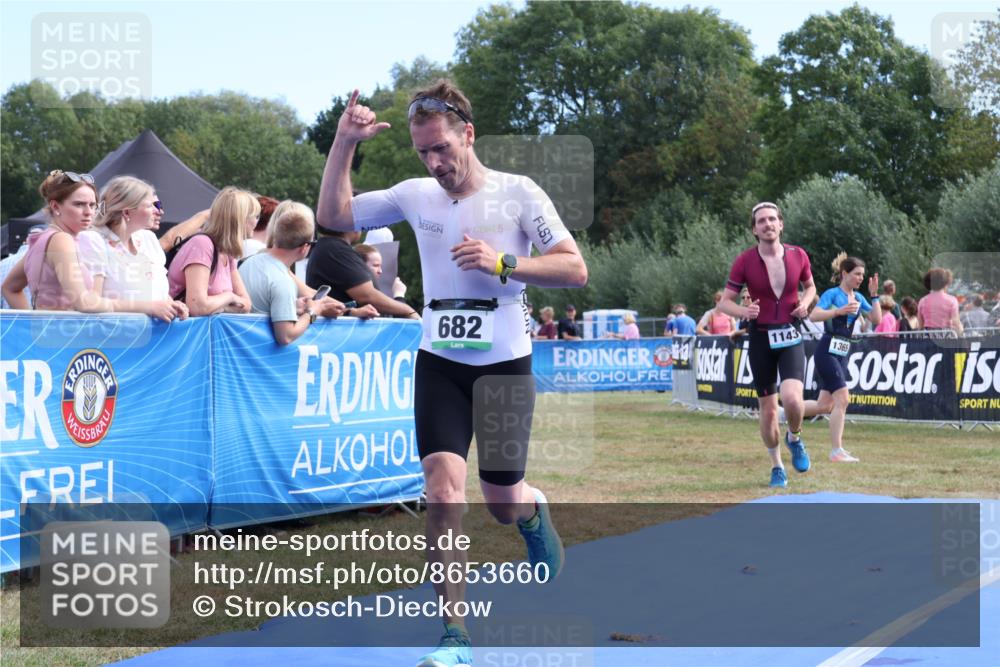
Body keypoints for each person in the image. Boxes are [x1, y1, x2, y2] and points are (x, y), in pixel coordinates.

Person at [315, 81, 587, 667]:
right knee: (442, 493)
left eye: (442, 148)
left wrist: (504, 262)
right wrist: (343, 143)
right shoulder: (416, 195)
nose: (435, 163)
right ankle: (455, 633)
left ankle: (532, 511)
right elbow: (333, 217)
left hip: (504, 361)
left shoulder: (519, 193)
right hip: (439, 358)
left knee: (501, 501)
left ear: (467, 132)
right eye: (424, 153)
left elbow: (574, 268)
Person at [716, 201, 816, 489]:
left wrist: (805, 304)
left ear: (781, 224)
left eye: (772, 219)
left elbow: (810, 287)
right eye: (761, 221)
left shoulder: (799, 255)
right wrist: (743, 314)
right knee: (769, 410)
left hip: (790, 334)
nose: (768, 224)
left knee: (794, 399)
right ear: (754, 230)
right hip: (760, 338)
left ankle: (795, 437)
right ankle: (777, 466)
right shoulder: (745, 261)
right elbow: (725, 302)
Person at [2, 170, 182, 321]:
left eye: (92, 205)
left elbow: (9, 287)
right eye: (79, 204)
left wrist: (32, 322)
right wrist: (148, 306)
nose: (89, 212)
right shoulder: (61, 240)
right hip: (64, 343)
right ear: (56, 207)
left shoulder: (43, 238)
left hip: (55, 339)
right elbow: (85, 302)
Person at [800, 253, 881, 463]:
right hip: (827, 351)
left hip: (842, 353)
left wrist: (874, 296)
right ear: (845, 274)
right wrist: (838, 312)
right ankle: (836, 451)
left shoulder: (860, 297)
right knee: (843, 399)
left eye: (863, 275)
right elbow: (814, 315)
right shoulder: (832, 294)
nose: (861, 278)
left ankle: (785, 412)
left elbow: (877, 319)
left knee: (824, 405)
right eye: (857, 274)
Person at [77, 176, 188, 319]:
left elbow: (153, 290)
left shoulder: (148, 239)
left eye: (158, 205)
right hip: (114, 336)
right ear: (127, 212)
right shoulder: (93, 241)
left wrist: (171, 304)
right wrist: (150, 307)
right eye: (150, 206)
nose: (159, 211)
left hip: (158, 337)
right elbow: (91, 303)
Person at [238, 201, 322, 345]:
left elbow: (260, 305)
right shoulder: (283, 281)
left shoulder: (250, 261)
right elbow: (286, 336)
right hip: (255, 356)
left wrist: (293, 306)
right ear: (304, 247)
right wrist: (312, 313)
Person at [167, 186, 254, 316]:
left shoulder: (228, 252)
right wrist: (229, 297)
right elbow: (198, 307)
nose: (256, 222)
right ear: (240, 219)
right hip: (179, 332)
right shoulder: (203, 244)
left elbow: (246, 304)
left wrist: (218, 307)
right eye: (255, 216)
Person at [306, 228, 418, 319]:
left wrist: (351, 312)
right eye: (375, 265)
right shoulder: (336, 249)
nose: (380, 270)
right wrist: (408, 310)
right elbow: (367, 296)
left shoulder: (330, 248)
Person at [0, 225, 44, 308]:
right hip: (35, 319)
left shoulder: (2, 264)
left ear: (26, 240)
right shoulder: (47, 262)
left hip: (5, 319)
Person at [917, 268, 962, 336]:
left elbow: (920, 325)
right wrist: (962, 334)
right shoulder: (952, 300)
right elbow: (956, 323)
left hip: (928, 338)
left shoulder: (922, 301)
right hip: (946, 337)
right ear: (945, 283)